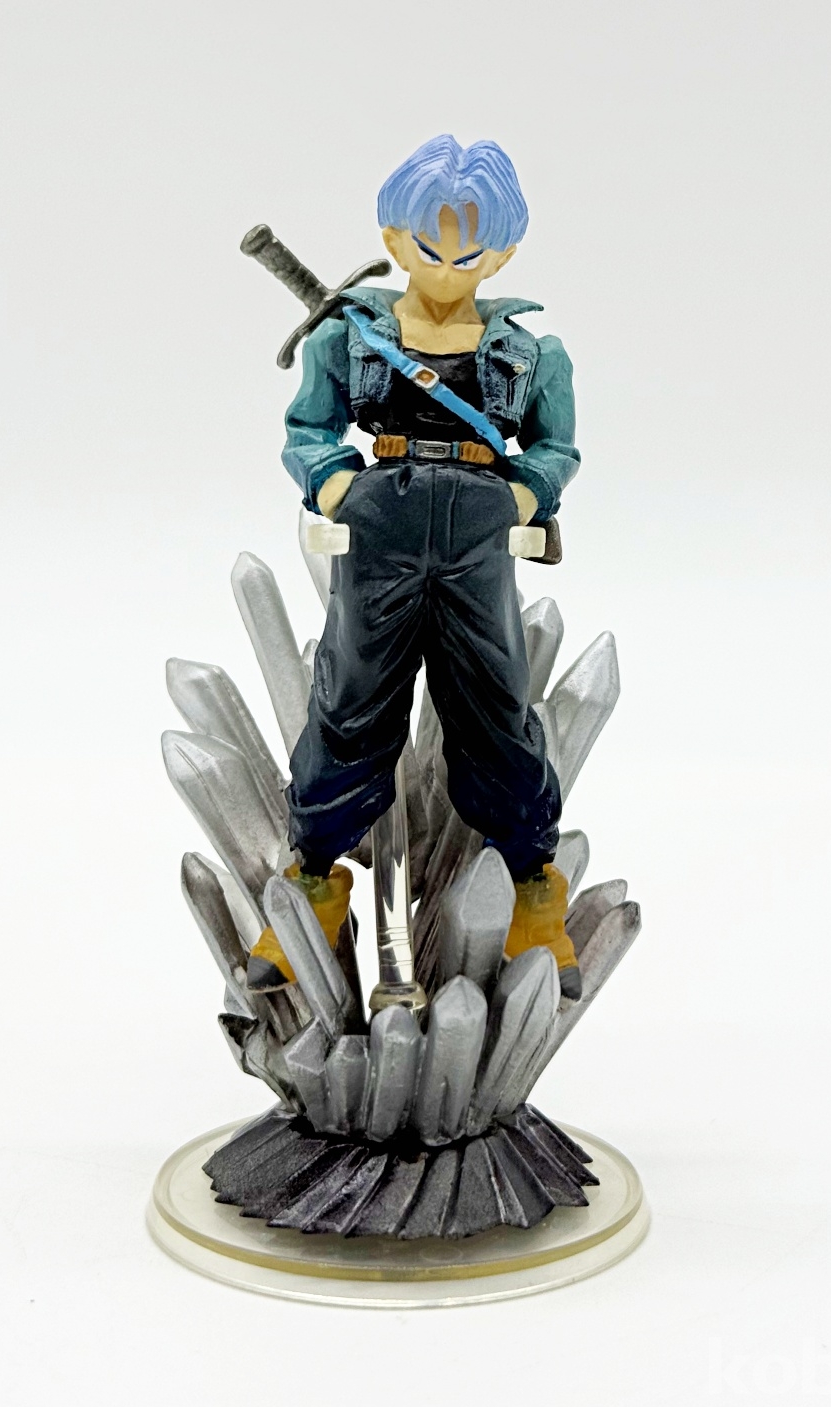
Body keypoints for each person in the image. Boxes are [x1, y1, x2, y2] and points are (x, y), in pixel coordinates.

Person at [248, 134, 583, 999]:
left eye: (469, 253)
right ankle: (315, 879)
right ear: (394, 240)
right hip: (381, 519)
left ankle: (534, 885)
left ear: (503, 252)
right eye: (428, 247)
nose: (446, 268)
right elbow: (308, 429)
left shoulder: (532, 354)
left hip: (478, 526)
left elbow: (556, 448)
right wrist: (336, 488)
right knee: (352, 699)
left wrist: (521, 498)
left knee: (495, 702)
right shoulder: (349, 336)